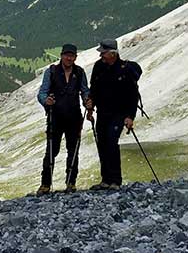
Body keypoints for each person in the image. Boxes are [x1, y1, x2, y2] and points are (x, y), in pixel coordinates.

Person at [85, 38, 141, 190]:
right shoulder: (99, 67)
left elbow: (132, 95)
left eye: (103, 53)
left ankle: (115, 180)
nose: (101, 56)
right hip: (103, 112)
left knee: (111, 141)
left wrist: (130, 116)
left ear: (112, 53)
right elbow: (94, 89)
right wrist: (90, 107)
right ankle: (106, 180)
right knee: (102, 143)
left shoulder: (124, 69)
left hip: (119, 114)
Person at [35, 44, 89, 195]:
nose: (69, 58)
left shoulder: (79, 72)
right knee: (52, 151)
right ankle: (45, 184)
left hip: (73, 117)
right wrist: (46, 101)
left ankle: (70, 183)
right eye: (67, 55)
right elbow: (42, 93)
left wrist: (87, 100)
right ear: (61, 55)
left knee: (73, 150)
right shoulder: (51, 72)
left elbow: (85, 90)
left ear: (75, 57)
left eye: (72, 55)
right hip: (56, 117)